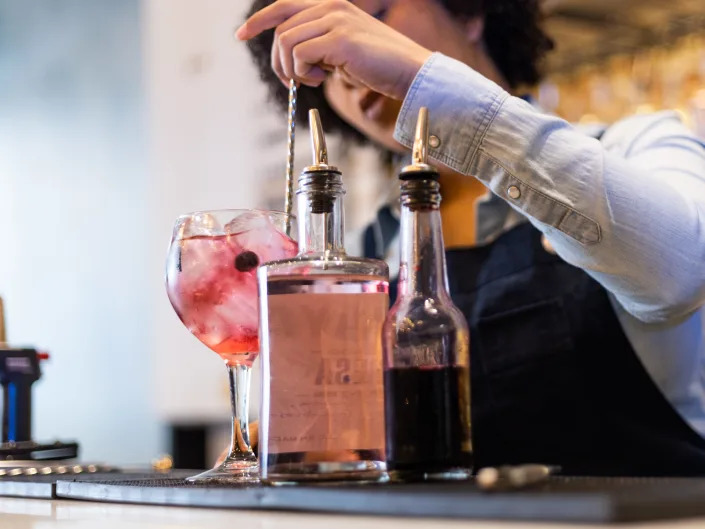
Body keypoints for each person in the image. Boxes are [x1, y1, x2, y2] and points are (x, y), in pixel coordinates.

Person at [237, 0, 705, 475]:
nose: (346, 63)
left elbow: (680, 273)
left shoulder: (637, 148)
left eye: (370, 18)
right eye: (319, 62)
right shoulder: (362, 257)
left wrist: (423, 79)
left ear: (469, 13)